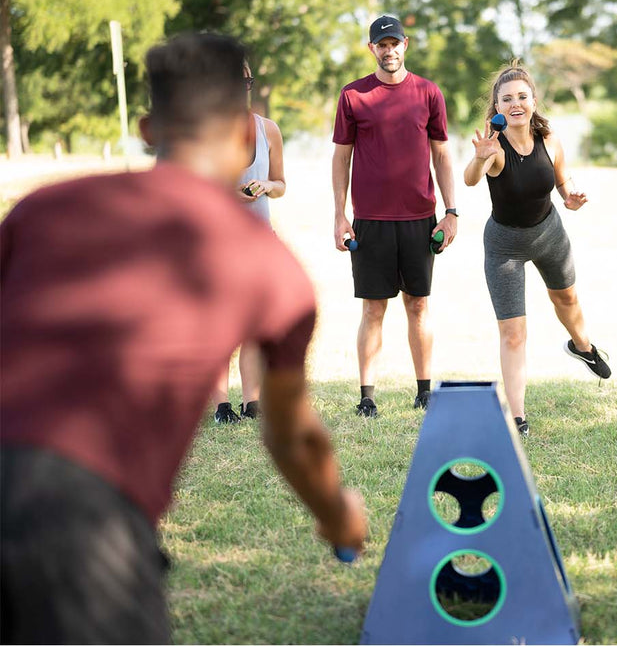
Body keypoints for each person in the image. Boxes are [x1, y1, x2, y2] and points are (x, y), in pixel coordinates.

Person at [0, 34, 368, 644]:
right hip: (79, 522)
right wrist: (338, 517)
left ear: (148, 128)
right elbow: (290, 433)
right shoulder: (267, 267)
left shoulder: (42, 210)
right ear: (244, 131)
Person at [464, 63, 611, 436]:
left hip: (549, 235)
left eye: (522, 97)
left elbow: (561, 178)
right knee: (514, 333)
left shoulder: (550, 139)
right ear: (497, 106)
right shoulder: (495, 148)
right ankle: (517, 416)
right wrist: (480, 156)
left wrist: (570, 196)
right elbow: (470, 179)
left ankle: (583, 346)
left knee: (567, 301)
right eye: (507, 99)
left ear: (533, 101)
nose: (516, 104)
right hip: (504, 248)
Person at [332, 15, 457, 418]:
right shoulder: (353, 96)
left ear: (406, 44)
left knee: (418, 305)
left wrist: (450, 212)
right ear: (372, 49)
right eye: (381, 45)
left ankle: (424, 392)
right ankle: (367, 396)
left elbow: (441, 153)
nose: (389, 51)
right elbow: (341, 158)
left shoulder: (428, 92)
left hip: (421, 218)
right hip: (369, 220)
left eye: (394, 43)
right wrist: (340, 215)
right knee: (372, 308)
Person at [212, 59, 288, 423]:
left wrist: (265, 187)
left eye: (245, 82)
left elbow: (280, 184)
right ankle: (221, 405)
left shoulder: (268, 130)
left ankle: (252, 401)